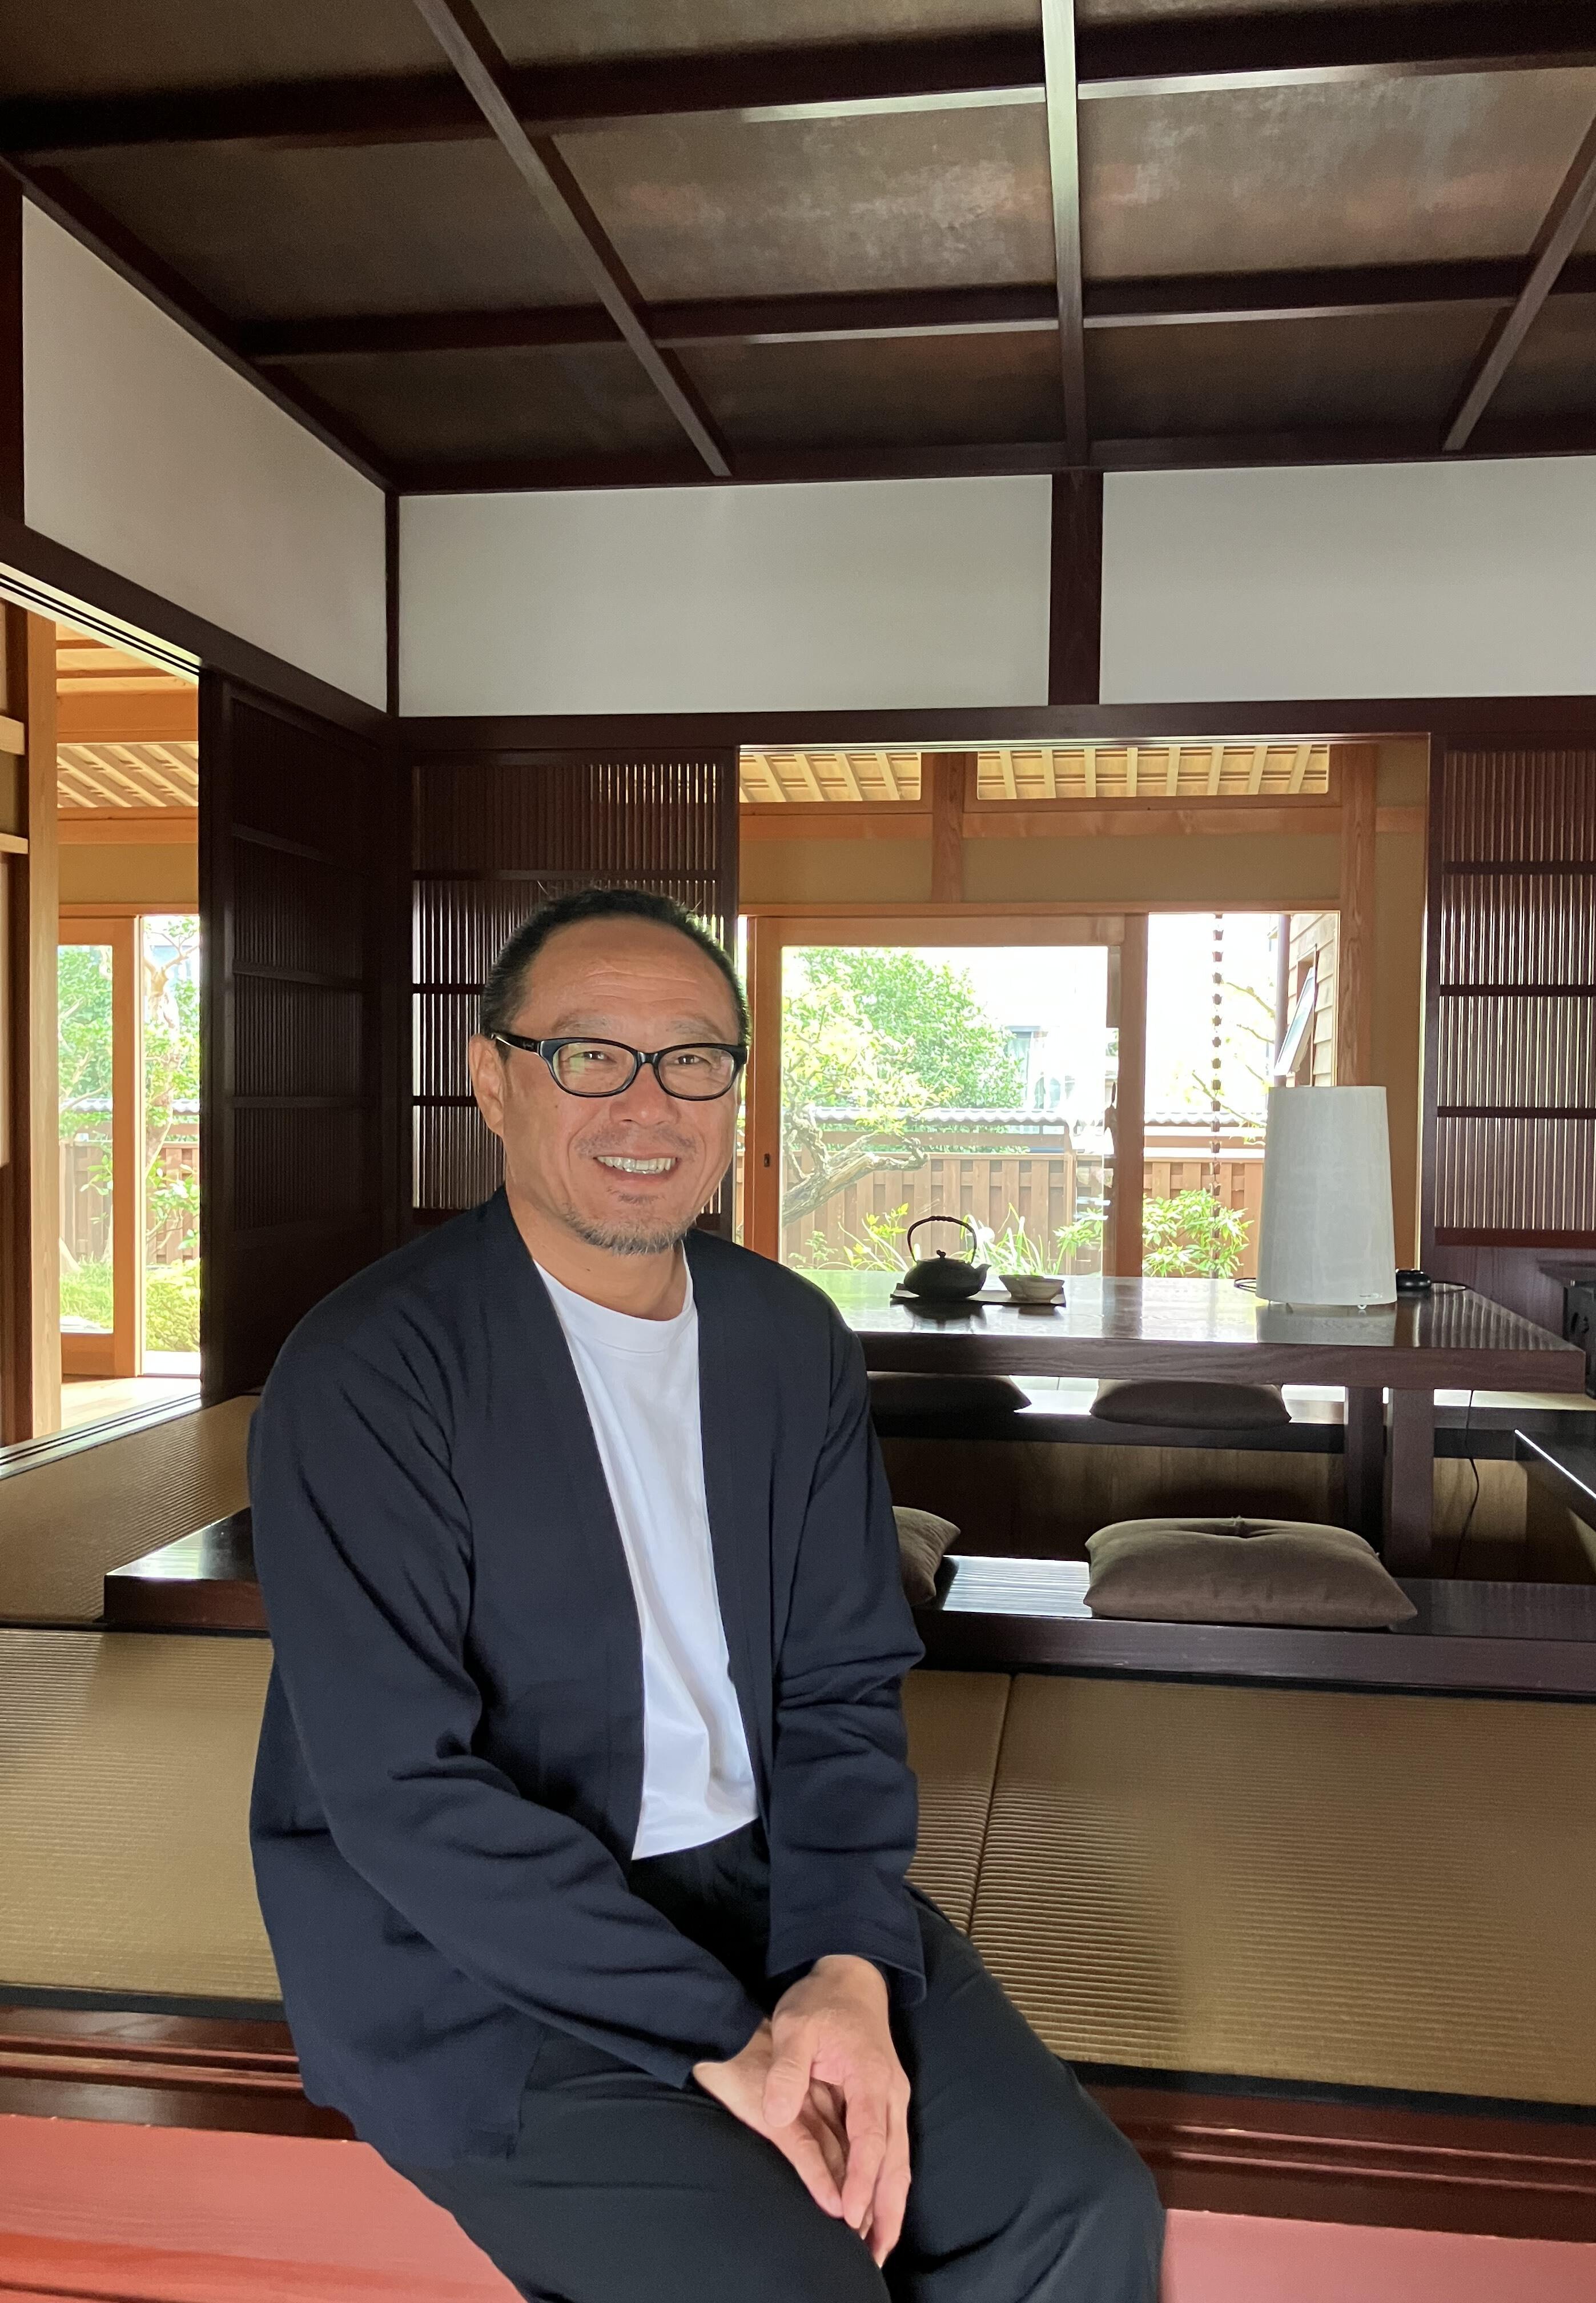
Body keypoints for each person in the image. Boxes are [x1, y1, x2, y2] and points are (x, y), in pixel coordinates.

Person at [248, 886, 1164, 2302]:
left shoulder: (786, 1339)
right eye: (590, 1056)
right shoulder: (373, 1369)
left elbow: (840, 1685)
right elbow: (401, 1791)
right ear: (492, 1077)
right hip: (478, 1955)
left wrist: (845, 1964)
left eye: (692, 1060)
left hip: (767, 1885)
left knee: (1077, 2210)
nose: (647, 1105)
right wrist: (726, 2038)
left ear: (735, 1089)